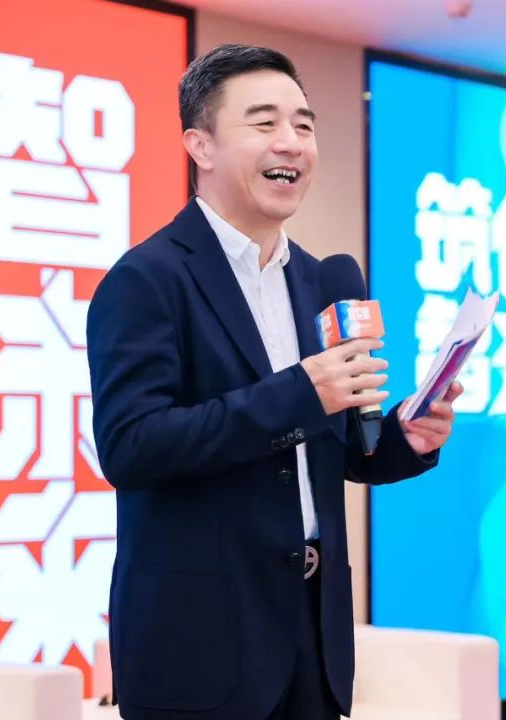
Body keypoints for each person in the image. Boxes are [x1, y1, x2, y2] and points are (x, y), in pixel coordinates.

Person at [86, 43, 462, 720]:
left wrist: (403, 438)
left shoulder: (320, 280)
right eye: (264, 123)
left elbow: (333, 451)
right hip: (199, 648)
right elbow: (132, 446)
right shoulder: (147, 279)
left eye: (304, 125)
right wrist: (300, 394)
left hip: (311, 639)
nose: (291, 142)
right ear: (200, 145)